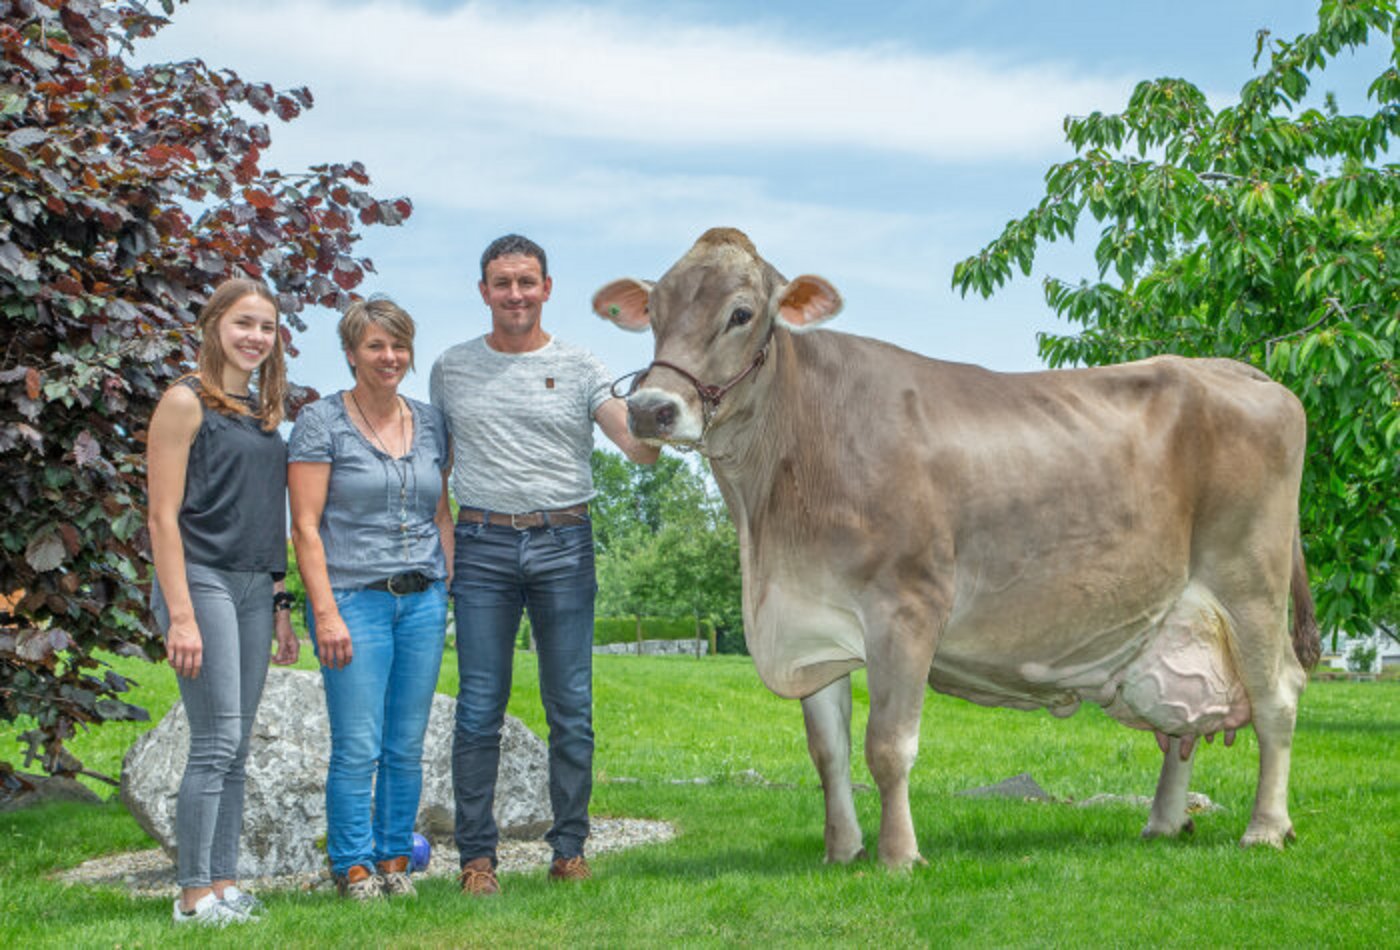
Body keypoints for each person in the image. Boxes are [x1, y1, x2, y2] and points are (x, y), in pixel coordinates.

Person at [431, 234, 658, 895]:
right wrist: (446, 543)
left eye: (526, 281)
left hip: (564, 543)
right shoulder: (450, 368)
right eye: (502, 283)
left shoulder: (584, 365)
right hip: (482, 545)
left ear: (547, 288)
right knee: (478, 708)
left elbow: (635, 447)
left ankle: (569, 849)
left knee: (572, 707)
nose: (515, 294)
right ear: (483, 292)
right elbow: (438, 470)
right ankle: (477, 860)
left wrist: (661, 409)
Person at [146, 278, 301, 927]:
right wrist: (180, 613)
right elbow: (160, 517)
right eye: (243, 323)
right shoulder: (184, 404)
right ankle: (190, 898)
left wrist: (281, 602)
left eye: (265, 328)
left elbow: (268, 518)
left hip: (251, 587)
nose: (255, 338)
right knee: (215, 741)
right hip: (200, 579)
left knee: (235, 746)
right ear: (214, 325)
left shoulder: (263, 416)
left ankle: (225, 884)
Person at [288, 298, 453, 901]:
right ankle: (352, 866)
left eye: (399, 346)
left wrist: (447, 590)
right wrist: (324, 610)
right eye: (376, 346)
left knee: (406, 743)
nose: (390, 358)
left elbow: (440, 512)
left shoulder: (432, 421)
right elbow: (305, 527)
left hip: (423, 601)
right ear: (352, 353)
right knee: (357, 744)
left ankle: (393, 862)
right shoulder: (320, 421)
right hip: (353, 600)